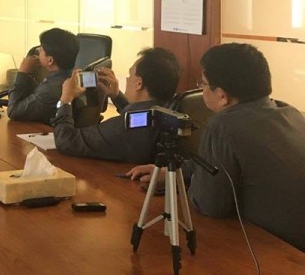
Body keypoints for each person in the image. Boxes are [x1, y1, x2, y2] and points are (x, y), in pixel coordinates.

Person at [127, 43, 305, 251]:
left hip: (277, 250)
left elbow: (209, 204)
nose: (201, 89)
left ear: (222, 96)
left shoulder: (224, 126)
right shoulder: (290, 113)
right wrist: (173, 173)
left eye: (202, 83)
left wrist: (183, 185)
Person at [53, 47, 180, 163]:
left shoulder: (122, 127)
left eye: (130, 75)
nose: (128, 79)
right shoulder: (170, 114)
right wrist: (116, 96)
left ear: (139, 84)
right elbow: (139, 118)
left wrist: (66, 99)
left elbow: (66, 141)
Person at [7, 28, 79, 124]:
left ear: (50, 60)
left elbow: (13, 112)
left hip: (44, 131)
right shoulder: (72, 76)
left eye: (41, 49)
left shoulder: (51, 89)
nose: (38, 51)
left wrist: (22, 72)